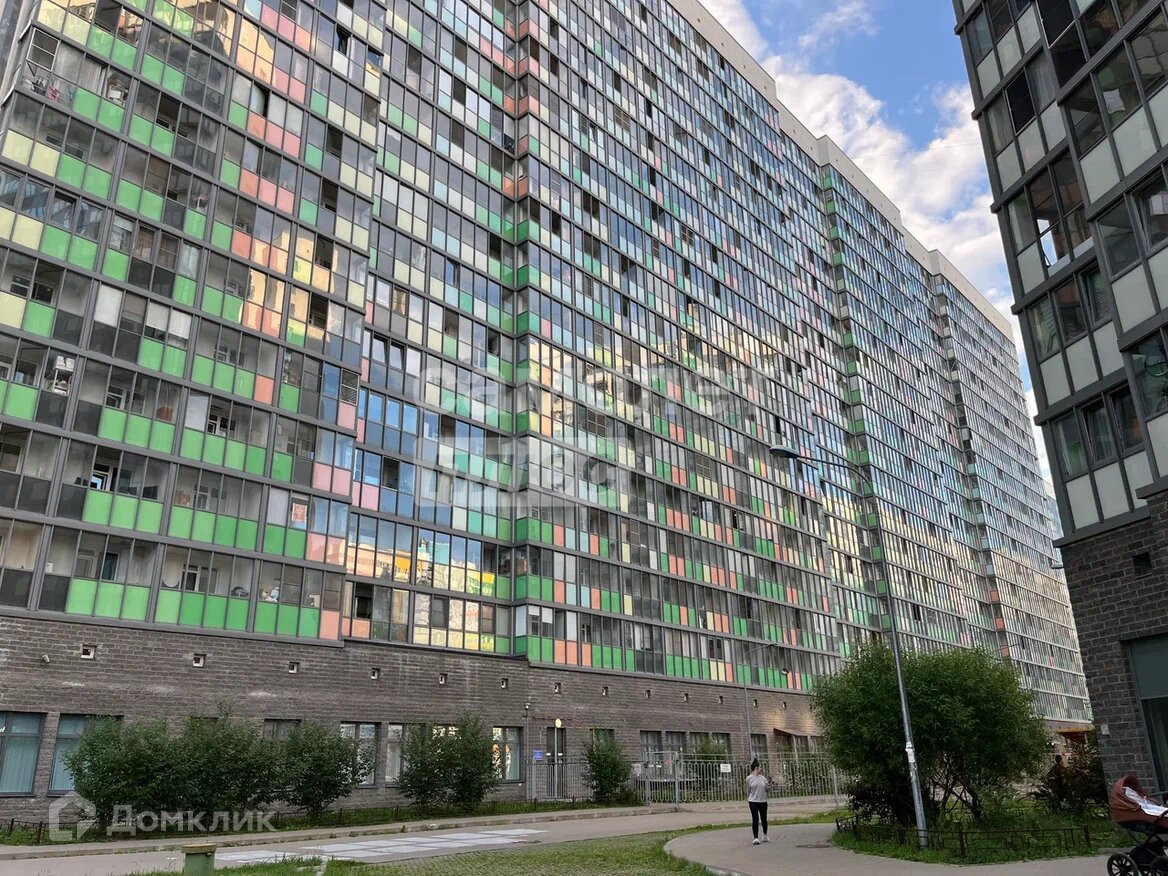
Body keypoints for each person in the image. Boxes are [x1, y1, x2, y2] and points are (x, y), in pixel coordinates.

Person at [746, 758, 770, 845]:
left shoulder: (763, 778)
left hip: (763, 801)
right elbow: (748, 790)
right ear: (756, 768)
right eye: (760, 767)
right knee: (755, 818)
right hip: (753, 802)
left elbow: (767, 789)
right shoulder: (749, 778)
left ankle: (765, 835)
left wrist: (769, 784)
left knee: (764, 819)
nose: (761, 769)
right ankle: (755, 837)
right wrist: (748, 799)